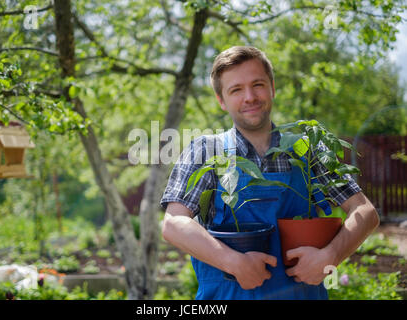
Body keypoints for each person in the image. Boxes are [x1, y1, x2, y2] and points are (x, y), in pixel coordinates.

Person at [160, 46, 380, 300]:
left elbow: (365, 212)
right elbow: (174, 224)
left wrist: (329, 256)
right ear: (221, 100)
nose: (250, 97)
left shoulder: (307, 149)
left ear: (273, 87)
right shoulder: (205, 151)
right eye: (236, 90)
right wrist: (233, 262)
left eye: (258, 84)